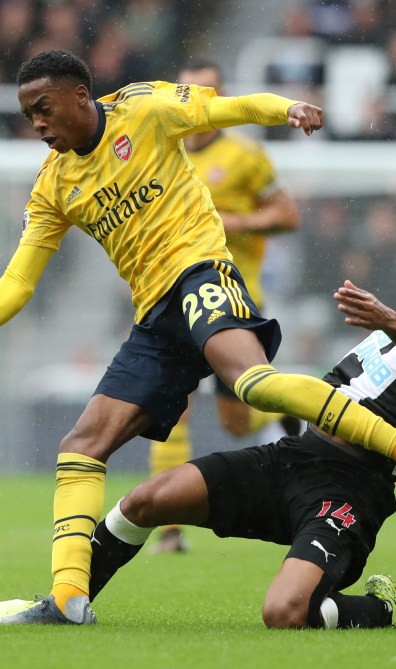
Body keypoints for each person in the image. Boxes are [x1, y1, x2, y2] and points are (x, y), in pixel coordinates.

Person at [0, 49, 396, 627]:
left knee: (253, 385)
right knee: (81, 445)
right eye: (29, 116)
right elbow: (17, 281)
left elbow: (224, 109)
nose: (38, 125)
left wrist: (287, 109)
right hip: (155, 316)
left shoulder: (143, 108)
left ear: (81, 95)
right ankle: (66, 600)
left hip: (200, 275)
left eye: (44, 109)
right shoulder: (54, 186)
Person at [72, 140, 396, 631]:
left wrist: (389, 320)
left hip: (349, 488)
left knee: (285, 613)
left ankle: (377, 610)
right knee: (145, 500)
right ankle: (68, 604)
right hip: (294, 454)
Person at [147, 58, 302, 554]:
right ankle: (169, 528)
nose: (197, 102)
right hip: (174, 292)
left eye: (207, 92)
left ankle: (277, 416)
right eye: (189, 92)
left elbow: (287, 214)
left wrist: (235, 223)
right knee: (172, 406)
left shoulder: (246, 156)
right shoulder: (162, 151)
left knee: (237, 420)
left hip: (234, 294)